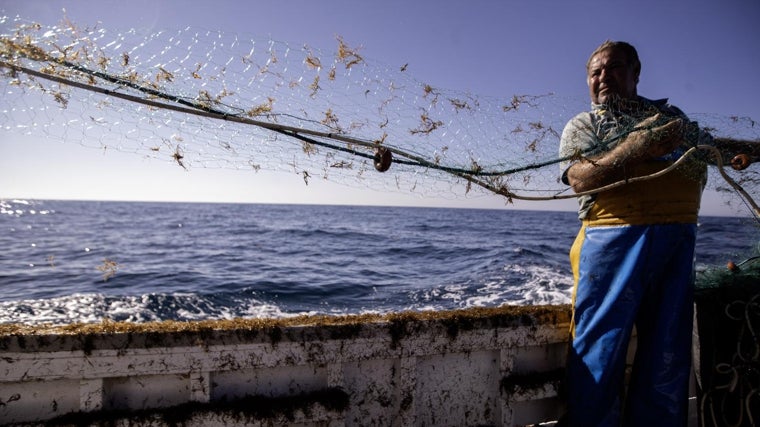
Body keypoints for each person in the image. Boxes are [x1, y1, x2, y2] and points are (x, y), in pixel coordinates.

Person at [557, 40, 710, 426]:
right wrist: (635, 147)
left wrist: (739, 154)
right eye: (595, 72)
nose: (603, 77)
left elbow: (709, 152)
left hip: (675, 251)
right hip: (609, 248)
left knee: (667, 359)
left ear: (636, 72)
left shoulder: (673, 119)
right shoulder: (583, 126)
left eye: (614, 68)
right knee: (599, 356)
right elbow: (579, 179)